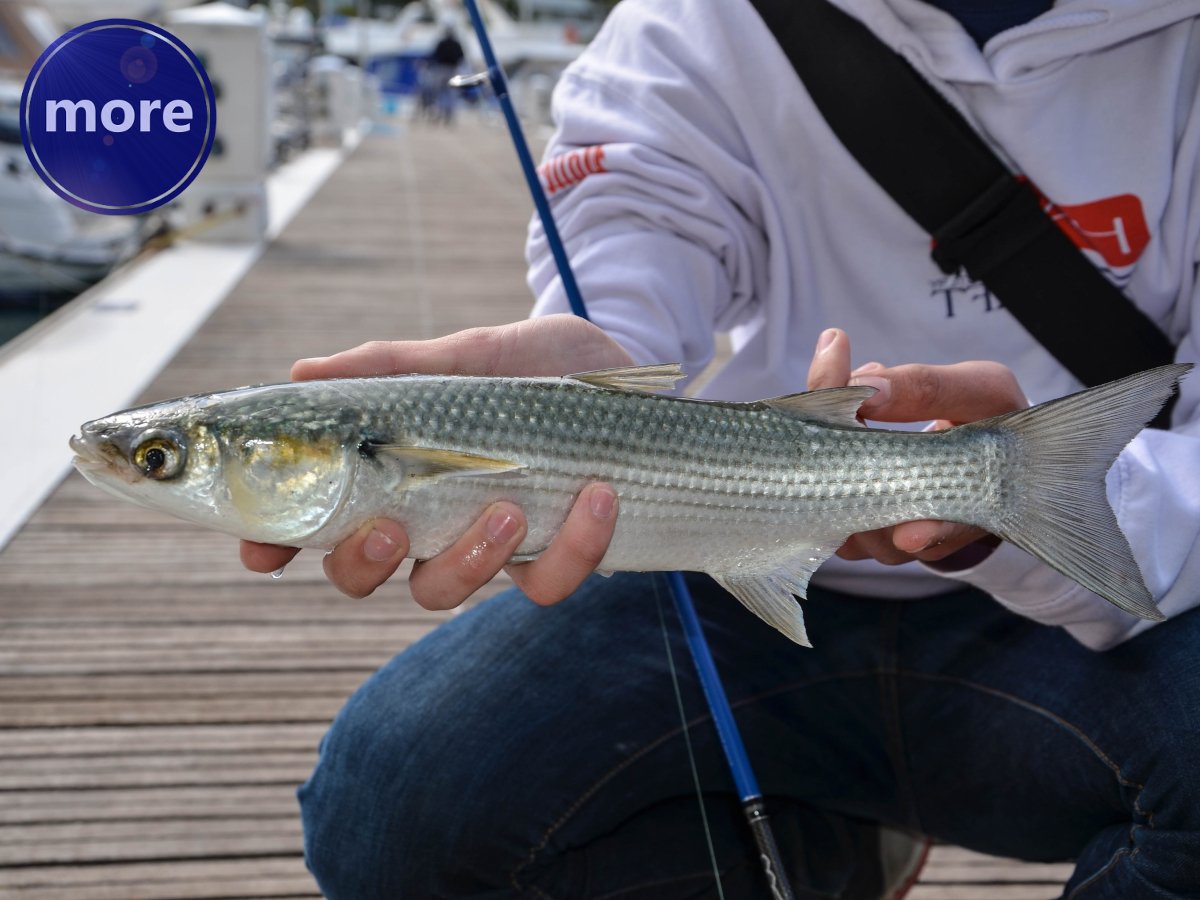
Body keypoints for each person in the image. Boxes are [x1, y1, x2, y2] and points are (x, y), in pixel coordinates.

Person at [242, 0, 1200, 896]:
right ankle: (820, 844)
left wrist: (1017, 515)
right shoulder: (692, 20)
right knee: (392, 804)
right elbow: (634, 233)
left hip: (1096, 611)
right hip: (729, 568)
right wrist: (588, 365)